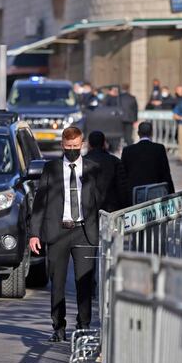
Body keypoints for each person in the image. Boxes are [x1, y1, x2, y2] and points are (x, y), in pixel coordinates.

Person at [28, 127, 102, 342]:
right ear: (62, 145)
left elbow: (102, 200)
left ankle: (83, 326)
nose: (72, 150)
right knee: (57, 282)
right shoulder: (51, 169)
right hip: (57, 232)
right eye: (68, 147)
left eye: (76, 147)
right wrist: (35, 234)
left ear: (82, 144)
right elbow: (40, 202)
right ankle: (58, 327)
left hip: (84, 232)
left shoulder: (92, 169)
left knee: (84, 282)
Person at [121, 122, 174, 204]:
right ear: (152, 133)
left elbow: (123, 175)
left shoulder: (127, 150)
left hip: (134, 196)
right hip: (155, 194)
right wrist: (171, 194)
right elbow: (166, 173)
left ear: (138, 133)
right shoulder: (159, 149)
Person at [84, 131, 128, 212]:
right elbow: (122, 188)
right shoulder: (115, 161)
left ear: (89, 144)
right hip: (111, 209)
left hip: (87, 209)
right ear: (104, 144)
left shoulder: (82, 162)